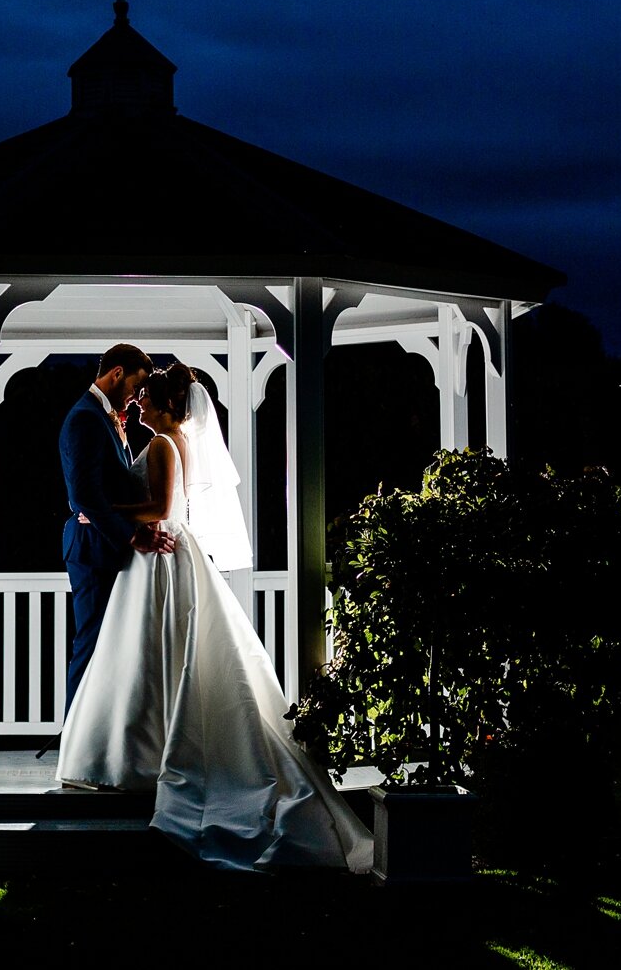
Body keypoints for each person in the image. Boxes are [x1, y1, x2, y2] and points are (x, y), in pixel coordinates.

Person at [56, 363, 373, 874]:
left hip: (159, 553)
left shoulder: (161, 443)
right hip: (175, 551)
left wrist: (106, 509)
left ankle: (144, 753)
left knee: (150, 655)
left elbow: (160, 505)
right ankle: (154, 744)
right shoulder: (179, 437)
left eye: (145, 400)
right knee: (167, 654)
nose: (137, 405)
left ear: (163, 406)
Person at [58, 343, 173, 712]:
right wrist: (132, 533)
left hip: (107, 546)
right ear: (117, 373)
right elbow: (84, 495)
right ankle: (74, 739)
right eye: (135, 387)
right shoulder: (85, 418)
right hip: (92, 548)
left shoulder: (106, 417)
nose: (137, 398)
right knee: (91, 644)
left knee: (109, 647)